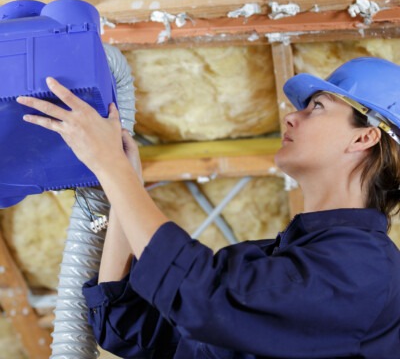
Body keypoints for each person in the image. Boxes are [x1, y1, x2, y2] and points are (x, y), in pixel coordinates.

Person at [17, 56, 400, 358]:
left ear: (365, 136)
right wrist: (124, 182)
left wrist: (111, 167)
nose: (291, 115)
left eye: (316, 106)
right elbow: (132, 327)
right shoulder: (276, 264)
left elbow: (202, 295)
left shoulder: (366, 268)